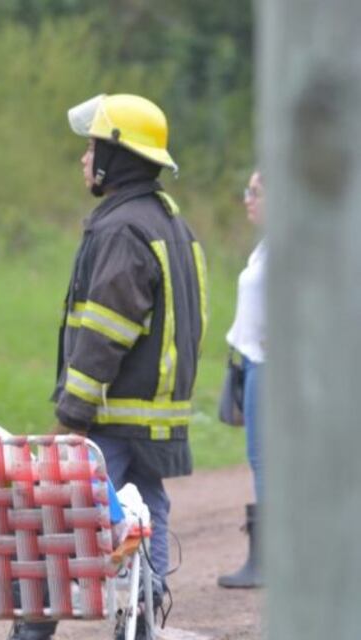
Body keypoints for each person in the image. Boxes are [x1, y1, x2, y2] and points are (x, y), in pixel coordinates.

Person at [12, 94, 208, 640]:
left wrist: (72, 417)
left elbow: (104, 333)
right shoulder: (172, 222)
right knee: (148, 513)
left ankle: (33, 631)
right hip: (157, 412)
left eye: (92, 146)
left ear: (116, 157)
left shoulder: (121, 228)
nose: (84, 157)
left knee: (61, 515)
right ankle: (145, 621)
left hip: (113, 414)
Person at [217, 170, 265, 589]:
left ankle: (269, 557)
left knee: (265, 458)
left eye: (256, 191)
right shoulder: (268, 246)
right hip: (254, 361)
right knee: (262, 459)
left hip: (271, 364)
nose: (247, 198)